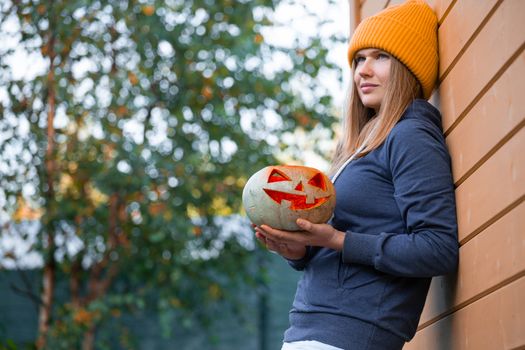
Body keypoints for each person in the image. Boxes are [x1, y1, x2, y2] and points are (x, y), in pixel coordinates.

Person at [253, 1, 459, 349]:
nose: (363, 70)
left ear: (409, 67)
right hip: (306, 329)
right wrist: (298, 250)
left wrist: (336, 240)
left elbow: (437, 248)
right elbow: (342, 247)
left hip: (353, 334)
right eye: (358, 59)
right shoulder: (357, 146)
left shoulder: (409, 136)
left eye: (380, 56)